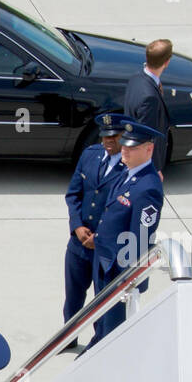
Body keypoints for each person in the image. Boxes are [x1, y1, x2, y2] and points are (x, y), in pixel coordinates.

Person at [89, 119, 164, 347]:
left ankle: (103, 356)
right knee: (99, 317)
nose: (125, 150)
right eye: (124, 145)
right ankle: (98, 343)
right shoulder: (128, 173)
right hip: (104, 259)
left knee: (113, 327)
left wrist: (126, 280)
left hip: (118, 270)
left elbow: (139, 239)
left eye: (132, 147)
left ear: (148, 149)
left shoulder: (148, 187)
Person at [59, 113, 128, 350]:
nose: (108, 141)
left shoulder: (129, 167)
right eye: (105, 136)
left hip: (105, 249)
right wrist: (77, 227)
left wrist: (100, 238)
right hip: (78, 244)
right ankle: (68, 338)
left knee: (102, 301)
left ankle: (98, 346)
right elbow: (73, 195)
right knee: (73, 298)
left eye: (115, 136)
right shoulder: (90, 156)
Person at [123, 38, 172, 175]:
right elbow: (146, 138)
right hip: (145, 167)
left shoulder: (136, 78)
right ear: (167, 62)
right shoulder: (150, 98)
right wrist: (155, 169)